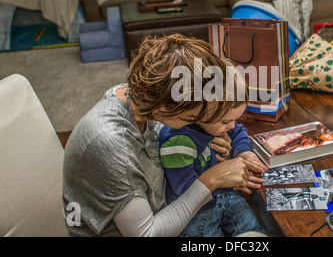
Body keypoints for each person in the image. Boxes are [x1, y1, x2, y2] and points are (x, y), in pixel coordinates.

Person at [62, 34, 265, 237]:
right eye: (193, 116)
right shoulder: (113, 145)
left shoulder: (137, 94)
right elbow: (146, 235)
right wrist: (211, 180)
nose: (200, 120)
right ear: (162, 107)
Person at [159, 67, 268, 237]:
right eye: (227, 121)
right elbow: (187, 192)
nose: (232, 125)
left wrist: (242, 153)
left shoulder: (217, 121)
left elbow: (238, 131)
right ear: (202, 111)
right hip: (194, 211)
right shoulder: (178, 141)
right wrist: (230, 181)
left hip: (223, 195)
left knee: (253, 226)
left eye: (234, 119)